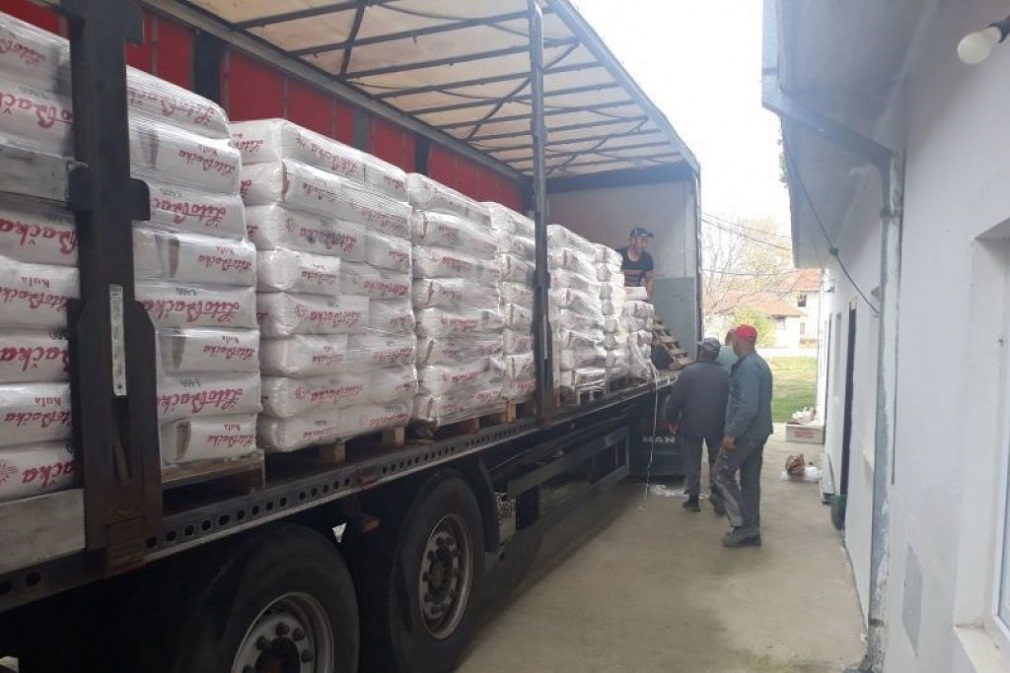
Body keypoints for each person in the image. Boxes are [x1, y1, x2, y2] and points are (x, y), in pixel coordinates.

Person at [714, 323, 773, 548]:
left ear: (740, 341)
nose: (733, 345)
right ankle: (752, 531)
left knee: (721, 474)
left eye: (734, 341)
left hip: (745, 434)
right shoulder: (758, 364)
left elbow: (748, 406)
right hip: (758, 432)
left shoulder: (748, 367)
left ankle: (744, 525)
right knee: (749, 482)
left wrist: (731, 433)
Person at [663, 336, 730, 513]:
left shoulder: (689, 372)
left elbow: (676, 399)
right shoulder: (725, 374)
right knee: (716, 462)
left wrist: (671, 420)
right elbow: (731, 402)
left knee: (692, 462)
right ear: (716, 355)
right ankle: (716, 493)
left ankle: (693, 500)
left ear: (702, 353)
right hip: (717, 426)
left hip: (691, 425)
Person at [618, 227, 655, 299]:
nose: (644, 244)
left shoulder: (647, 259)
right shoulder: (618, 255)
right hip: (618, 294)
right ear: (633, 240)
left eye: (646, 242)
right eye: (642, 241)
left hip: (635, 294)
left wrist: (647, 298)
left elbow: (650, 278)